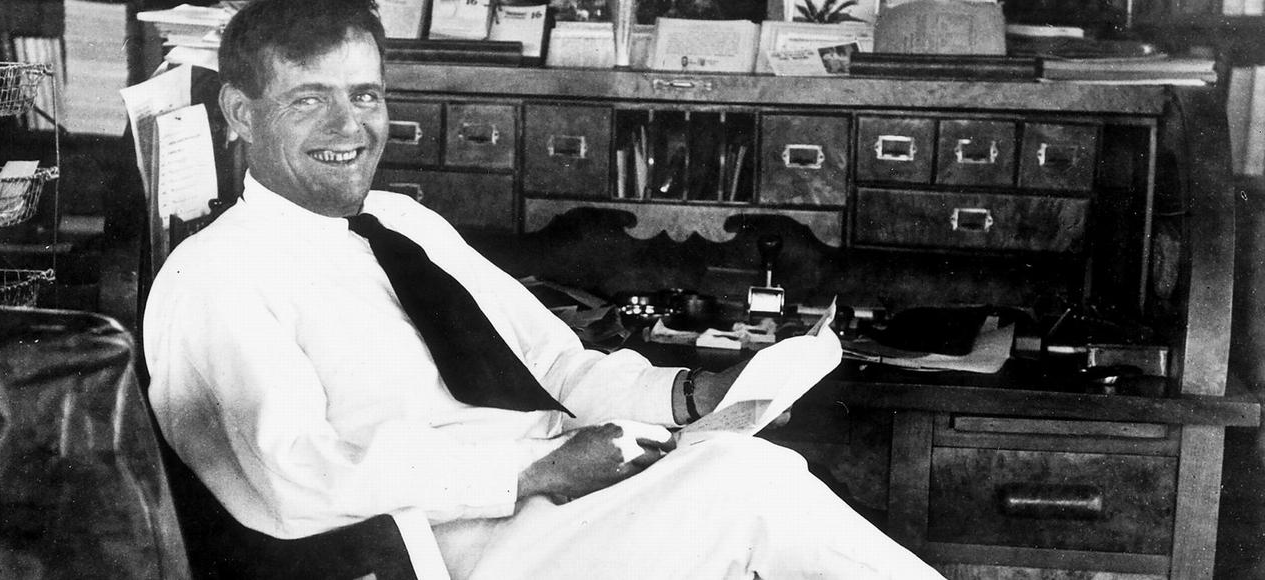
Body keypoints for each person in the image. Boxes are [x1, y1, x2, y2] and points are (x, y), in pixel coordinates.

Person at [142, 0, 945, 577]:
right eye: (308, 100)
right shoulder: (216, 277)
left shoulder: (404, 224)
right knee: (747, 490)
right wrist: (533, 472)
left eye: (366, 95)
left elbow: (554, 364)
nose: (348, 128)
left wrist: (695, 395)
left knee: (748, 461)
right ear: (240, 112)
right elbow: (294, 479)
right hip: (440, 550)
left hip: (553, 503)